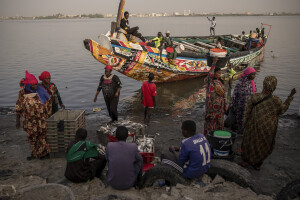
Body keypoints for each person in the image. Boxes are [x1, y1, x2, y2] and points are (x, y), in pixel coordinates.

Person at [241, 76, 296, 170]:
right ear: (274, 86)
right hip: (268, 127)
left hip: (254, 124)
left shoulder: (254, 97)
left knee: (250, 141)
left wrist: (245, 122)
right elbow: (283, 110)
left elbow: (247, 111)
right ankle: (258, 163)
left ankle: (246, 161)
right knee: (263, 143)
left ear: (264, 85)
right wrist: (290, 97)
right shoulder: (276, 100)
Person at [15, 70, 54, 160]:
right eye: (34, 85)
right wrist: (17, 121)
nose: (36, 86)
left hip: (41, 119)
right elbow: (18, 107)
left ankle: (43, 153)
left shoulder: (40, 91)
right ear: (28, 86)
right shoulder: (23, 94)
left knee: (42, 135)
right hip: (29, 120)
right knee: (32, 137)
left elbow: (48, 104)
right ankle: (35, 153)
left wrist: (48, 116)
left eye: (36, 84)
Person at [228, 67, 256, 135]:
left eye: (254, 74)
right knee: (239, 120)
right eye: (252, 74)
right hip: (239, 106)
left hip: (248, 107)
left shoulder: (253, 84)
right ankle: (238, 132)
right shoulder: (240, 83)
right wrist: (231, 106)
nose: (254, 76)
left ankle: (244, 133)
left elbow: (254, 95)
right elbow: (234, 95)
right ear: (247, 74)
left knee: (246, 120)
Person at [204, 57, 226, 136]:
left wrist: (225, 106)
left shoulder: (220, 82)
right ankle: (209, 138)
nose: (219, 74)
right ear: (214, 73)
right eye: (218, 73)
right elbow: (210, 74)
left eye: (220, 73)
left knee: (219, 124)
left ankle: (218, 138)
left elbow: (223, 95)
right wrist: (213, 63)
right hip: (211, 108)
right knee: (210, 124)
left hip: (219, 108)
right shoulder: (209, 81)